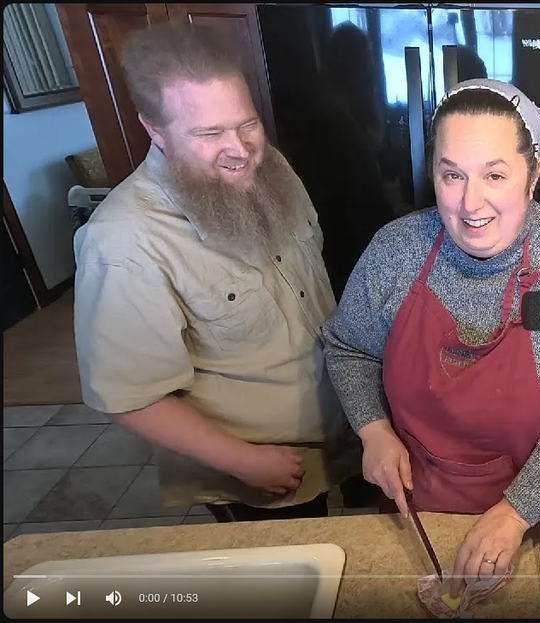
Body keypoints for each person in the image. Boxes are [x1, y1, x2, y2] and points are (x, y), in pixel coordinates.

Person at [321, 79, 540, 588]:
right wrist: (373, 429)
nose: (471, 203)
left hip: (512, 503)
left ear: (531, 176)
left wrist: (514, 513)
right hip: (404, 499)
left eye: (495, 174)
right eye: (452, 175)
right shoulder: (395, 252)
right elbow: (349, 348)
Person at [72, 22, 361, 522]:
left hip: (334, 434)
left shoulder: (269, 168)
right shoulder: (123, 241)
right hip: (255, 470)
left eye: (247, 123)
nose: (240, 149)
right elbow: (127, 398)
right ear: (154, 130)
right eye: (209, 133)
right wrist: (244, 461)